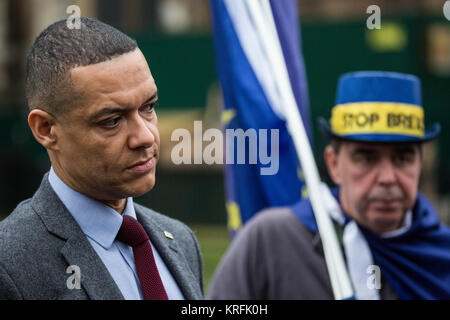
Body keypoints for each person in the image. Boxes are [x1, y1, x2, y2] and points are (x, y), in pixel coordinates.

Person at [0, 17, 203, 300]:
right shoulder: (9, 263)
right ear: (46, 129)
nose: (145, 137)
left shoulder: (180, 241)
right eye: (111, 121)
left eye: (149, 107)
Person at [207, 71, 450, 300]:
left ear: (421, 163)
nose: (387, 177)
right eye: (366, 158)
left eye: (402, 158)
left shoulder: (442, 254)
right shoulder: (271, 240)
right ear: (333, 164)